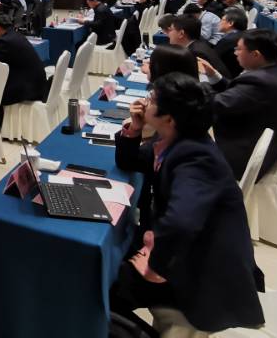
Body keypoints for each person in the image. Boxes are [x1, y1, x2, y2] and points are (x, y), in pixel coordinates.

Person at [109, 73, 264, 335]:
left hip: (200, 271)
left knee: (104, 289)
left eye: (152, 99)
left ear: (169, 119)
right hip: (180, 249)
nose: (144, 102)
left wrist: (154, 264)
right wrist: (134, 129)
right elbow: (129, 161)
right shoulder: (176, 140)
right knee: (110, 269)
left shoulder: (196, 158)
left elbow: (181, 223)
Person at [199, 29, 277, 181]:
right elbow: (240, 94)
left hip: (242, 156)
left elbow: (217, 104)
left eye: (239, 49)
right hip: (257, 143)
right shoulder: (275, 71)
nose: (235, 53)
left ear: (255, 54)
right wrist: (213, 75)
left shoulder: (260, 82)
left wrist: (199, 83)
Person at [0, 12, 48, 124]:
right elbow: (1, 55)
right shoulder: (14, 35)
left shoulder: (4, 41)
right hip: (37, 83)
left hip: (28, 89)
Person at [166, 15, 230, 79]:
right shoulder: (199, 45)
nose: (167, 34)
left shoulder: (195, 53)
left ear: (181, 33)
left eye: (170, 30)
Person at [214, 7, 248, 78]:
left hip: (226, 76)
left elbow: (214, 59)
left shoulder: (228, 40)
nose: (219, 22)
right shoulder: (244, 35)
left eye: (222, 20)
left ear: (230, 23)